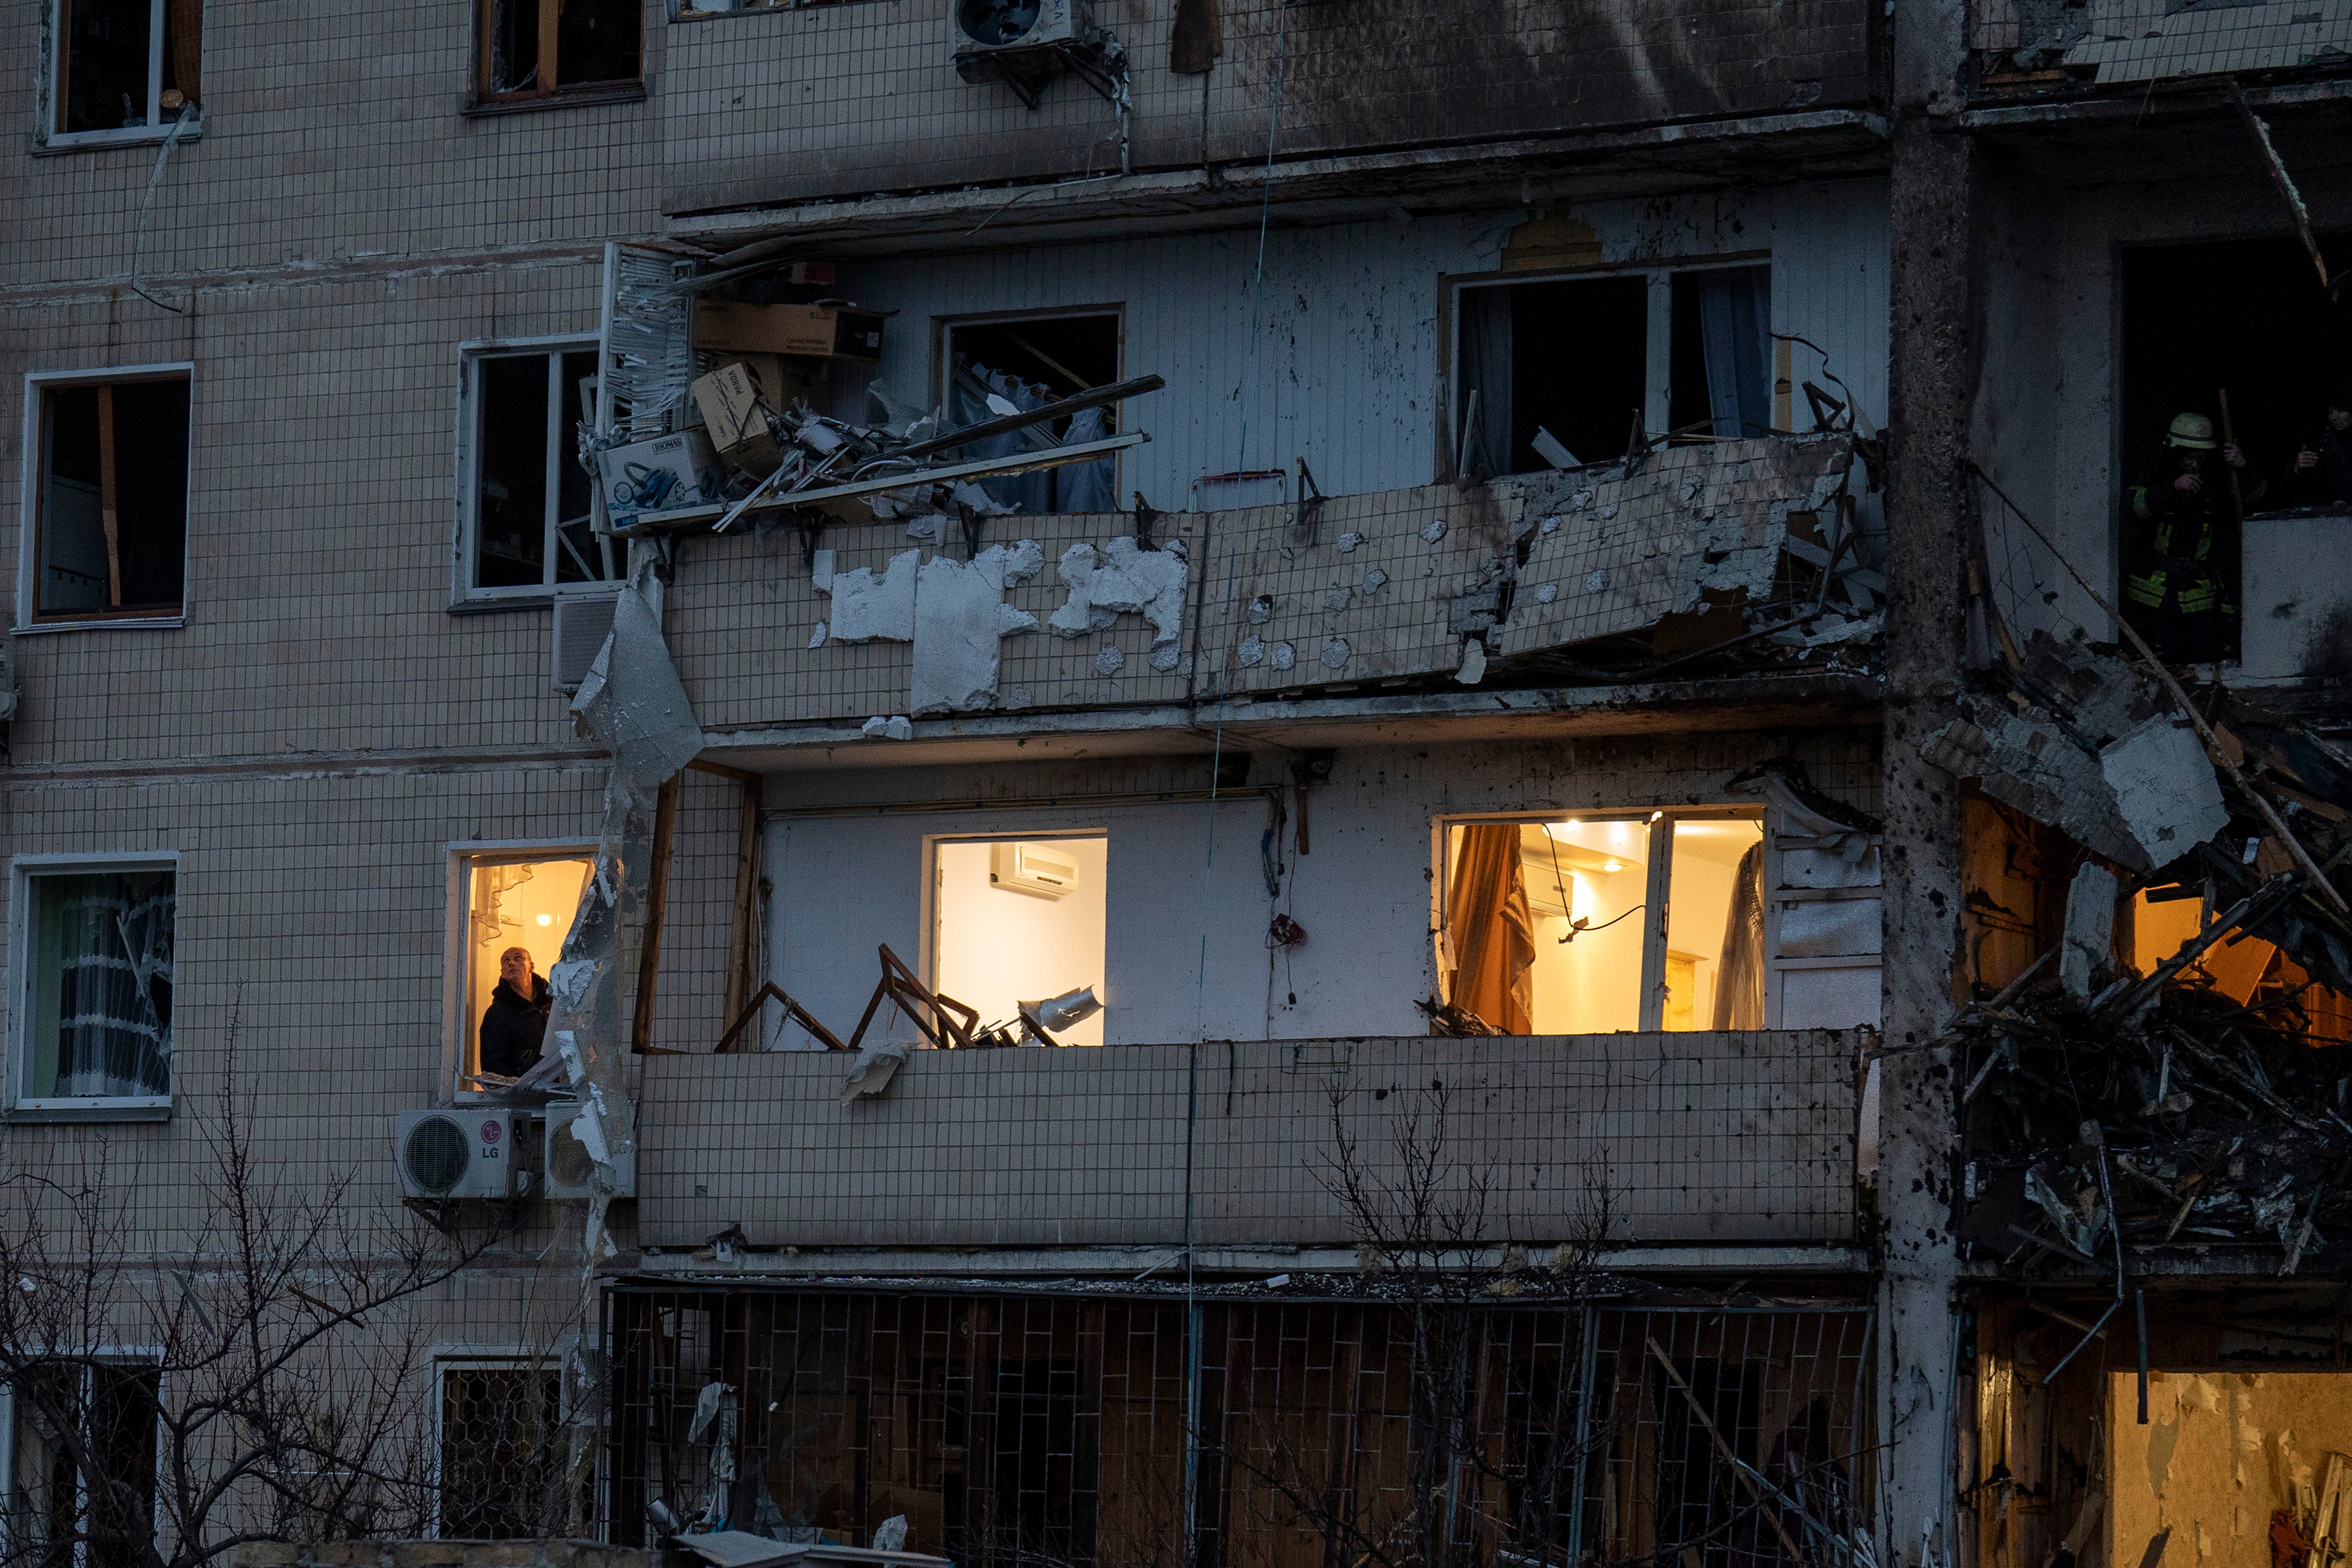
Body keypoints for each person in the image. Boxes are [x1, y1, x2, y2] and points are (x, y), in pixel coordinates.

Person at [2125, 411, 2257, 665]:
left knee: (2204, 660)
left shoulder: (2218, 479)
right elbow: (2130, 509)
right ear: (2175, 451)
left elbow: (2255, 501)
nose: (2196, 462)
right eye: (2189, 455)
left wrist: (2243, 466)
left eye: (2201, 455)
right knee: (2159, 661)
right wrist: (2171, 489)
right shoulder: (2154, 473)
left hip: (2199, 595)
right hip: (2152, 594)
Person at [479, 946, 551, 1078]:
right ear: (503, 972)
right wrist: (519, 1085)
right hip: (524, 1093)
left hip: (561, 1089)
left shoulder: (553, 1004)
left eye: (518, 959)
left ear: (531, 966)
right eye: (506, 961)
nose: (512, 963)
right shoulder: (497, 1014)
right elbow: (493, 1066)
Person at [2293, 380, 2352, 509]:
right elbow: (2308, 490)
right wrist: (2296, 468)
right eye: (2331, 412)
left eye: (2341, 410)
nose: (2334, 417)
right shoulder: (2322, 443)